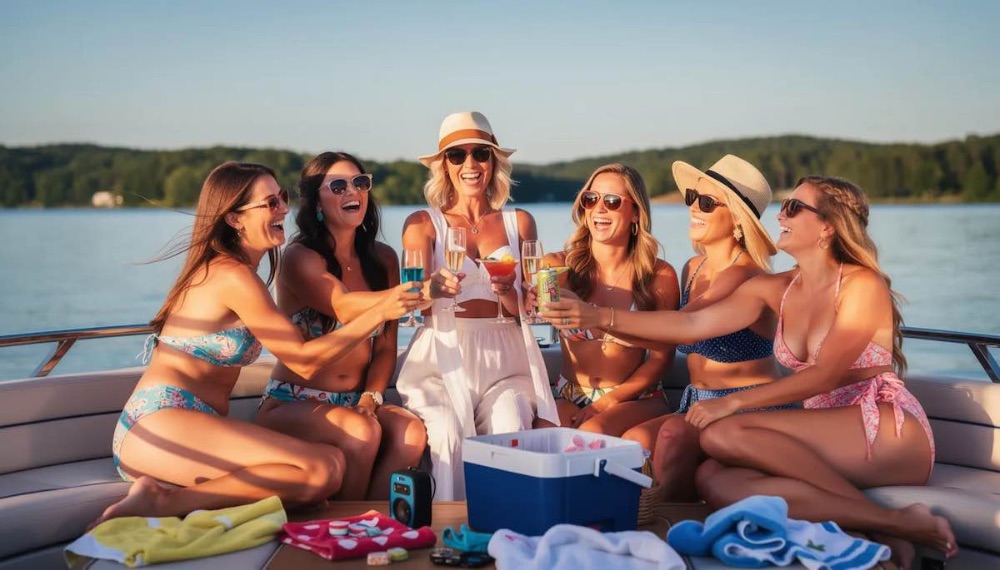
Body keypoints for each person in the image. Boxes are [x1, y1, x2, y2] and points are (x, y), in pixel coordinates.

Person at [541, 176, 957, 559]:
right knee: (716, 481)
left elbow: (824, 376)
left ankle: (897, 525)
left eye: (794, 208)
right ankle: (884, 523)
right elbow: (689, 324)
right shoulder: (774, 288)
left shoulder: (862, 284)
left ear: (828, 226)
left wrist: (732, 402)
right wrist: (597, 317)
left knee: (723, 432)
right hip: (824, 425)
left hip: (886, 430)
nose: (780, 214)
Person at [97, 161, 424, 525]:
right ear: (235, 218)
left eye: (282, 198)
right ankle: (163, 501)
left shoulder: (246, 274)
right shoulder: (230, 274)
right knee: (320, 472)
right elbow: (303, 362)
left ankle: (338, 525)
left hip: (200, 421)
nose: (283, 209)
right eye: (270, 203)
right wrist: (380, 311)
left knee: (328, 467)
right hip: (157, 422)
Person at [396, 111, 559, 500]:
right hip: (441, 353)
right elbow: (410, 300)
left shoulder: (520, 222)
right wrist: (432, 291)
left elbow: (532, 308)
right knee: (449, 435)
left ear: (493, 162)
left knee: (510, 427)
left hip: (507, 352)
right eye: (457, 156)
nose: (470, 164)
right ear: (444, 166)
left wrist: (507, 292)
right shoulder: (422, 223)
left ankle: (508, 527)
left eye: (480, 154)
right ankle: (443, 536)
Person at [255, 152, 427, 500]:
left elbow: (384, 348)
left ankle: (377, 525)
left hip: (356, 401)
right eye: (338, 186)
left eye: (360, 183)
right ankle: (345, 529)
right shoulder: (300, 257)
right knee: (361, 431)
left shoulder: (383, 259)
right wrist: (407, 294)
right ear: (316, 198)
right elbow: (344, 306)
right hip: (293, 402)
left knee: (411, 431)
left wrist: (370, 396)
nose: (354, 192)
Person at [621, 155, 784, 501]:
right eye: (692, 198)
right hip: (696, 402)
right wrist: (586, 325)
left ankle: (669, 524)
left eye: (708, 202)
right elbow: (661, 331)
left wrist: (595, 319)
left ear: (738, 220)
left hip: (745, 407)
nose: (694, 208)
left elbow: (683, 328)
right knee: (632, 442)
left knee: (670, 437)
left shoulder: (745, 274)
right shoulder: (692, 267)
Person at [535, 163, 676, 435]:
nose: (599, 208)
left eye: (612, 201)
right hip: (569, 392)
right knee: (543, 433)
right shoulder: (558, 266)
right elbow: (536, 301)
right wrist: (521, 294)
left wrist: (609, 401)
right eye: (591, 199)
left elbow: (662, 359)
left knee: (594, 432)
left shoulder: (658, 275)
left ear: (636, 212)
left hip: (636, 397)